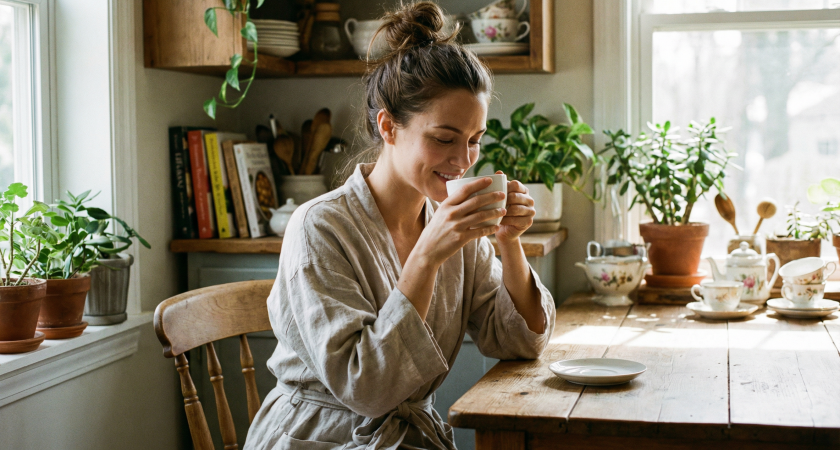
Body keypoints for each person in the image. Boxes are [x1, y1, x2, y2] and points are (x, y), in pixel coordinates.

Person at [244, 2, 555, 449]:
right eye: (444, 138)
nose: (463, 160)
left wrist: (509, 243)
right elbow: (367, 389)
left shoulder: (453, 225)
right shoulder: (319, 228)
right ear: (389, 127)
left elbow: (519, 342)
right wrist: (427, 256)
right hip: (321, 437)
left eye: (474, 140)